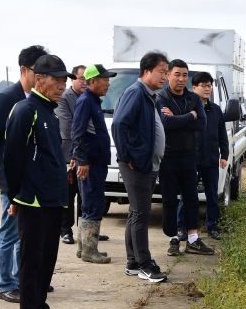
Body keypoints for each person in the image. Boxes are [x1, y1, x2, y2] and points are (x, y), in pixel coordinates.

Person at [3, 54, 74, 309]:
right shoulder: (25, 110)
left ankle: (40, 307)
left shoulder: (49, 112)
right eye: (56, 80)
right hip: (32, 200)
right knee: (32, 260)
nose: (61, 85)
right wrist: (14, 197)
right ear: (39, 79)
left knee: (47, 259)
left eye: (63, 80)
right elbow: (12, 158)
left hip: (52, 199)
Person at [0, 44, 49, 304]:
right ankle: (4, 283)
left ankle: (24, 279)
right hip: (13, 175)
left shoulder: (36, 100)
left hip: (31, 176)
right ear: (24, 70)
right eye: (38, 72)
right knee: (9, 229)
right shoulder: (6, 98)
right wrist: (2, 163)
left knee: (27, 230)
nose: (42, 77)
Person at [111, 51, 169, 283]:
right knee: (142, 214)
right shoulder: (136, 93)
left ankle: (133, 262)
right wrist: (129, 157)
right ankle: (145, 265)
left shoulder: (149, 95)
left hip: (145, 163)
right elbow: (118, 124)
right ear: (147, 71)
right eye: (161, 72)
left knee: (136, 213)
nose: (164, 77)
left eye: (166, 72)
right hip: (137, 165)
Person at [157, 59, 213, 256]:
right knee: (169, 200)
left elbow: (201, 124)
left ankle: (193, 239)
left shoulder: (194, 99)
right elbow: (165, 123)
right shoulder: (161, 97)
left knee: (191, 198)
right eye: (177, 74)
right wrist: (190, 116)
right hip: (168, 157)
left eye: (184, 75)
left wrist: (177, 118)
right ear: (168, 75)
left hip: (189, 157)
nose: (181, 79)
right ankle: (172, 239)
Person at [72, 63, 116, 264]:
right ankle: (90, 250)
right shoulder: (85, 101)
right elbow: (78, 132)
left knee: (91, 202)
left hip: (96, 162)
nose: (108, 83)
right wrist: (82, 160)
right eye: (104, 79)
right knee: (92, 203)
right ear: (92, 81)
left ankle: (84, 248)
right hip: (90, 163)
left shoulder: (94, 101)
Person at [177, 71, 228, 240]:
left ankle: (212, 226)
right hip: (190, 160)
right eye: (204, 85)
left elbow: (222, 134)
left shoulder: (216, 110)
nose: (208, 89)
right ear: (194, 87)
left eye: (209, 85)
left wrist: (224, 155)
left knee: (212, 195)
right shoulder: (187, 107)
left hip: (211, 159)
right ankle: (182, 227)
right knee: (187, 195)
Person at [55, 64, 86, 246]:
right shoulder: (64, 98)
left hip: (85, 154)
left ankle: (85, 230)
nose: (84, 82)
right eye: (81, 78)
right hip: (68, 154)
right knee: (68, 195)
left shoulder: (88, 97)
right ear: (73, 79)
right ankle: (65, 230)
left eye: (86, 79)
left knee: (85, 196)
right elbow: (68, 128)